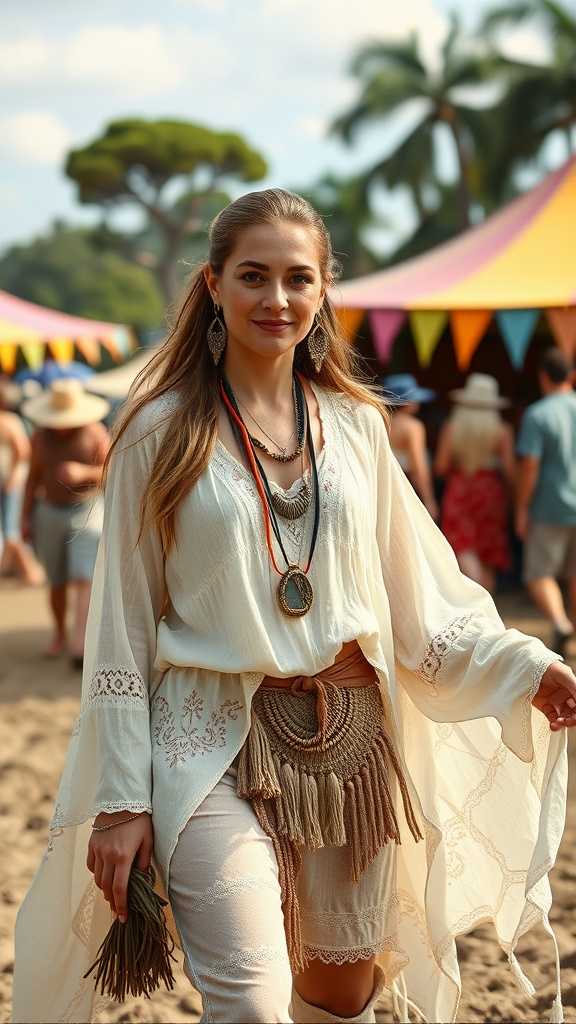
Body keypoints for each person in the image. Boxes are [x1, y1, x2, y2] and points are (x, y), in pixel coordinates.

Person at [12, 190, 576, 1024]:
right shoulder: (156, 432)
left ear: (323, 289)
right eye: (253, 276)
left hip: (353, 744)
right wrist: (122, 800)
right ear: (213, 285)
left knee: (338, 1000)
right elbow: (122, 630)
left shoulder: (358, 426)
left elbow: (418, 601)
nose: (275, 298)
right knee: (251, 1001)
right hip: (207, 739)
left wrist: (526, 664)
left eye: (297, 277)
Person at [20, 378, 110, 666]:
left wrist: (84, 473)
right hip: (49, 511)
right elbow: (32, 478)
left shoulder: (95, 432)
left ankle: (80, 644)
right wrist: (24, 518)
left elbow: (111, 472)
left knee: (84, 576)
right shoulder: (39, 436)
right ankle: (60, 634)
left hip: (87, 509)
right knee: (56, 580)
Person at [516, 347, 576, 656]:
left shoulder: (537, 414)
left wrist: (521, 508)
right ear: (572, 376)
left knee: (539, 574)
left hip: (549, 506)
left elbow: (530, 466)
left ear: (542, 376)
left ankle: (560, 622)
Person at [434, 373, 516, 594]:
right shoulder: (503, 431)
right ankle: (486, 602)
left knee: (462, 545)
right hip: (491, 490)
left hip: (460, 487)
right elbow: (510, 470)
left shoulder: (452, 427)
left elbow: (440, 467)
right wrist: (514, 497)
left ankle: (474, 592)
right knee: (487, 552)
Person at [0, 380, 45, 586]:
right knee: (10, 531)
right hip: (8, 483)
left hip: (11, 484)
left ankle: (31, 572)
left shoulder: (9, 421)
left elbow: (23, 453)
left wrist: (13, 478)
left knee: (11, 531)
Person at [380, 373, 438, 520]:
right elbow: (419, 466)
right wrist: (429, 499)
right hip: (404, 488)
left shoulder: (379, 422)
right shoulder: (413, 427)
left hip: (380, 487)